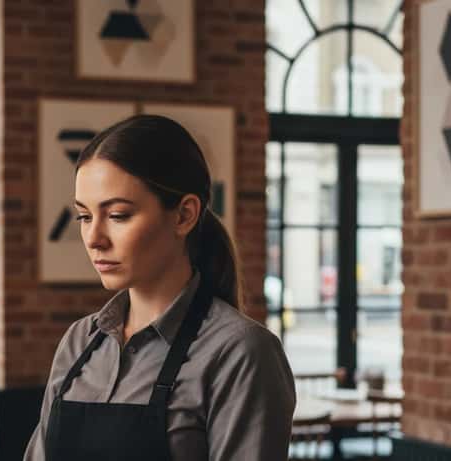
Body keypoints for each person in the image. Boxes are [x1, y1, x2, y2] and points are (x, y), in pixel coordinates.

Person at [23, 115, 296, 461]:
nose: (94, 239)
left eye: (118, 215)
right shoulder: (80, 342)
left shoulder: (240, 353)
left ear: (184, 215)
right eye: (85, 216)